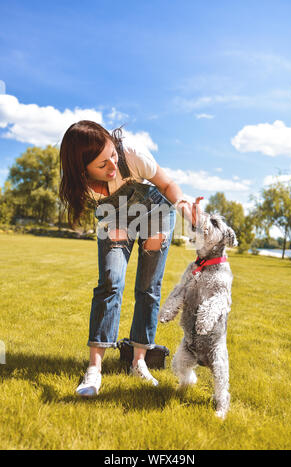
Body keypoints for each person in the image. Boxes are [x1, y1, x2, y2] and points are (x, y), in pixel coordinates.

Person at [59, 120, 201, 396]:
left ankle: (139, 362)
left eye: (112, 155)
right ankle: (94, 369)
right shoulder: (81, 187)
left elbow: (168, 185)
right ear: (82, 169)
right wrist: (110, 227)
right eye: (102, 165)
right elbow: (103, 215)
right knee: (110, 282)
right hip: (115, 218)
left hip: (156, 216)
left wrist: (186, 209)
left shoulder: (133, 153)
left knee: (149, 287)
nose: (112, 166)